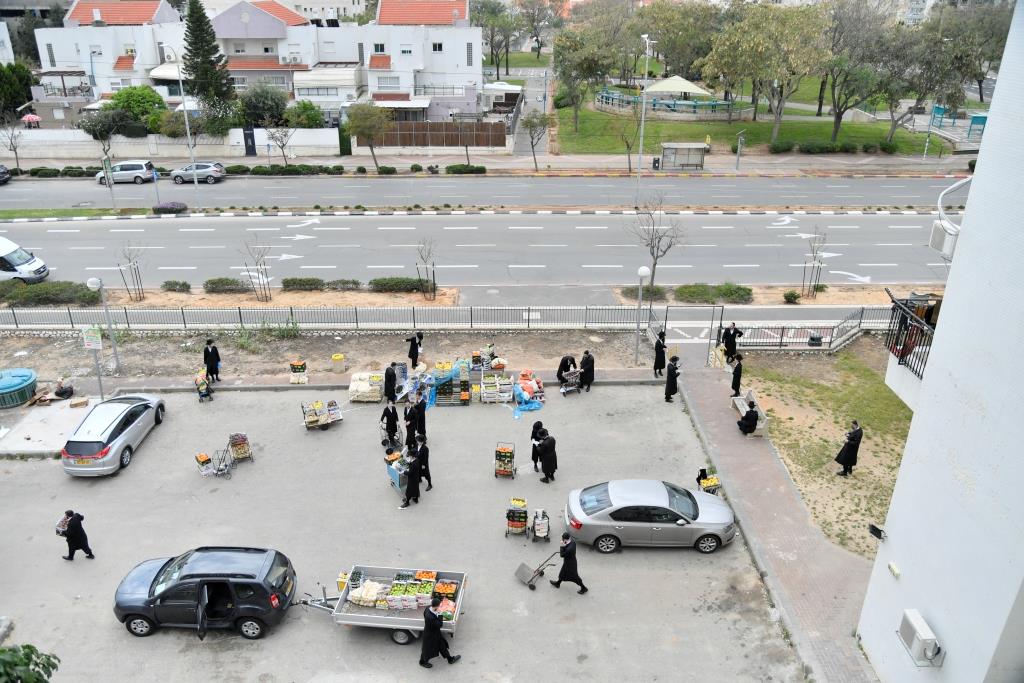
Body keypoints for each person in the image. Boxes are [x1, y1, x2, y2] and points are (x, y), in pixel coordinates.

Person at [419, 597, 461, 668]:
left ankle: (450, 659)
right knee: (427, 648)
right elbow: (439, 625)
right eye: (439, 605)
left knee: (442, 646)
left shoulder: (428, 608)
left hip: (435, 633)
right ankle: (422, 662)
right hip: (430, 635)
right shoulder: (430, 617)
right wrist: (440, 615)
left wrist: (437, 612)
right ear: (436, 606)